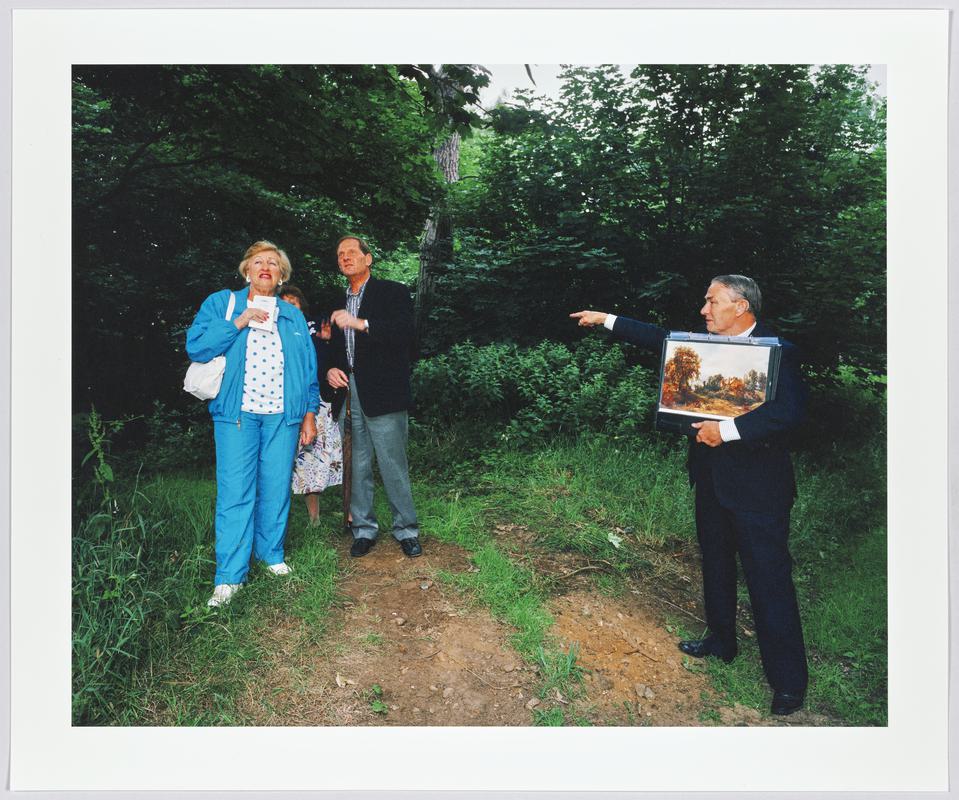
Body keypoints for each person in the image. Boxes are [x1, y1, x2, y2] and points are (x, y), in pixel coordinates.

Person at [571, 275, 808, 716]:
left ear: (740, 306)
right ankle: (721, 642)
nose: (703, 309)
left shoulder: (779, 352)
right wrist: (606, 320)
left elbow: (789, 414)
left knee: (769, 582)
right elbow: (659, 339)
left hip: (760, 493)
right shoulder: (704, 344)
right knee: (715, 566)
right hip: (711, 483)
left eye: (711, 301)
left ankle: (789, 683)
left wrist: (728, 431)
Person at [186, 241, 320, 608]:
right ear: (247, 270)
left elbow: (308, 368)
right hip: (237, 415)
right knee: (236, 490)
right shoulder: (222, 303)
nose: (266, 268)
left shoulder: (291, 316)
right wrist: (238, 322)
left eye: (273, 264)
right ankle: (229, 577)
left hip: (283, 416)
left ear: (281, 275)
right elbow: (196, 346)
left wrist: (309, 413)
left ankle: (271, 555)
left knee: (276, 487)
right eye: (258, 262)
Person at [325, 235, 422, 558]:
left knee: (392, 462)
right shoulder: (335, 301)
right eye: (340, 254)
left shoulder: (392, 292)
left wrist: (361, 323)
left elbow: (405, 334)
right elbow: (329, 348)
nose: (345, 257)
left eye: (352, 252)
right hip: (348, 391)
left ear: (368, 259)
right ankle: (363, 529)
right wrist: (329, 370)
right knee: (357, 463)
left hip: (384, 391)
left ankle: (406, 529)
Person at [278, 285, 343, 526]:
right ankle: (275, 516)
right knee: (282, 461)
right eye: (284, 303)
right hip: (280, 405)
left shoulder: (315, 329)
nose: (289, 307)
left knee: (314, 461)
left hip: (316, 404)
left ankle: (314, 519)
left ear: (301, 307)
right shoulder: (270, 330)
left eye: (293, 303)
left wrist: (325, 343)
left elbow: (326, 367)